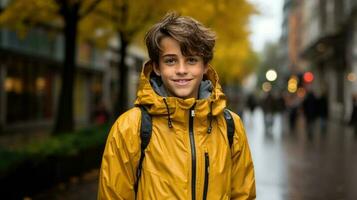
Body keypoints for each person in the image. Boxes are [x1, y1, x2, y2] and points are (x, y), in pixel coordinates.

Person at [97, 13, 256, 199]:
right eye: (171, 60)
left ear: (205, 66)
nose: (181, 70)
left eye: (191, 60)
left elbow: (243, 195)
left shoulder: (231, 126)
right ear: (156, 66)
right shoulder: (130, 128)